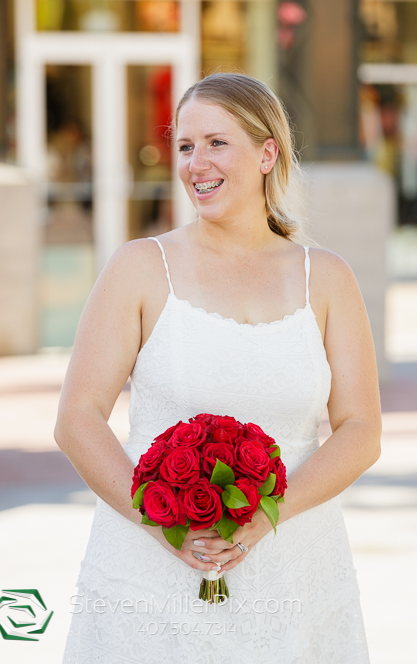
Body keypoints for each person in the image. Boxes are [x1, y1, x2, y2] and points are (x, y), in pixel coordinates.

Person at [55, 73, 381, 663]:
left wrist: (265, 517)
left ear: (267, 153)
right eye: (185, 146)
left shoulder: (327, 278)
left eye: (216, 143)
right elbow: (77, 418)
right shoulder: (139, 267)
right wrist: (163, 525)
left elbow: (361, 429)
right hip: (152, 573)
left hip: (294, 568)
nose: (195, 163)